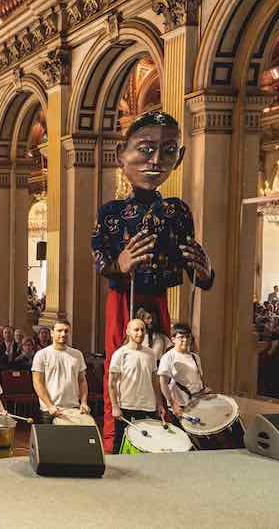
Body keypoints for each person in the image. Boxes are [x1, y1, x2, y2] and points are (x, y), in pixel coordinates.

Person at [91, 110, 214, 450]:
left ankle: (165, 432)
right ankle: (116, 439)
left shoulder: (177, 212)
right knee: (122, 363)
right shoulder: (112, 213)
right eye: (146, 149)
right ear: (122, 154)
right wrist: (119, 264)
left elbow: (193, 269)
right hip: (123, 299)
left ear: (180, 157)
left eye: (168, 151)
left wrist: (205, 273)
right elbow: (101, 260)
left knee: (161, 362)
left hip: (158, 298)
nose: (156, 160)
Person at [108, 318, 167, 454]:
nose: (140, 333)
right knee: (121, 443)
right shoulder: (120, 354)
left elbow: (155, 381)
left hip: (148, 407)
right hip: (127, 406)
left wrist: (159, 404)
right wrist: (115, 406)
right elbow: (111, 384)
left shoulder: (150, 354)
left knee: (149, 444)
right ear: (128, 332)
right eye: (136, 330)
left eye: (142, 330)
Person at [31, 320, 90, 424]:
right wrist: (50, 405)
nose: (63, 334)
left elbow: (82, 381)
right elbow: (37, 383)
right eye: (59, 331)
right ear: (52, 333)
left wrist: (84, 402)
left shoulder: (77, 354)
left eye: (66, 331)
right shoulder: (41, 355)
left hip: (73, 408)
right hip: (50, 410)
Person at [157, 323, 209, 420]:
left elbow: (199, 378)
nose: (185, 340)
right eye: (181, 337)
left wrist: (205, 390)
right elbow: (163, 384)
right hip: (179, 406)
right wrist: (173, 404)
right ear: (173, 339)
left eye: (187, 337)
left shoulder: (195, 357)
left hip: (197, 404)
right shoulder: (168, 357)